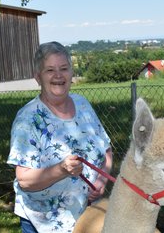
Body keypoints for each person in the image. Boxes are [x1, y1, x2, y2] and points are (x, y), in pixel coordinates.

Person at [7, 41, 113, 233]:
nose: (58, 75)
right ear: (38, 77)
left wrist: (101, 182)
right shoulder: (28, 120)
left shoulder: (83, 105)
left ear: (71, 73)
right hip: (44, 224)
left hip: (88, 220)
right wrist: (61, 169)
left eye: (64, 68)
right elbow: (24, 180)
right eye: (50, 70)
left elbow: (106, 149)